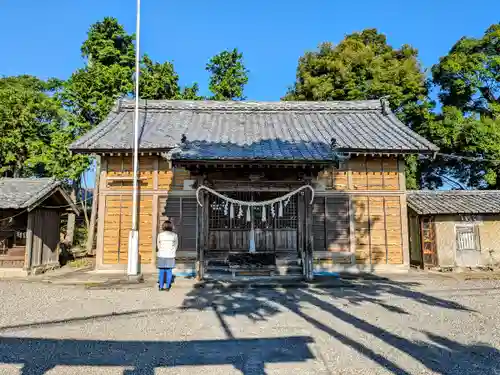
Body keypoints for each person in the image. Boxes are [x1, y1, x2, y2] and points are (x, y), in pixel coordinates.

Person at [156, 220, 178, 291]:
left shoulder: (160, 235)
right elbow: (176, 245)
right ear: (171, 226)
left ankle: (161, 286)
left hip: (161, 255)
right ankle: (168, 287)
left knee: (161, 271)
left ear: (163, 226)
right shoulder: (175, 235)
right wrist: (172, 251)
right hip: (170, 255)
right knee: (169, 271)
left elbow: (158, 245)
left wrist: (161, 250)